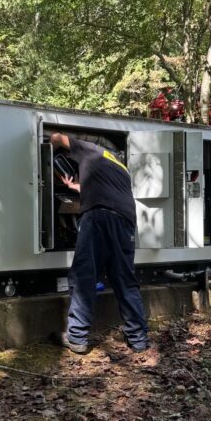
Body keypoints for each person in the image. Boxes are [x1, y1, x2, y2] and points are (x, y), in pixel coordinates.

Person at [50, 132, 150, 354]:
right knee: (125, 280)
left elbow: (57, 137)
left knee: (84, 274)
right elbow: (104, 189)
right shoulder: (121, 168)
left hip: (98, 218)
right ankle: (139, 340)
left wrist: (48, 153)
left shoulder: (90, 150)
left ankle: (76, 337)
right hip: (125, 223)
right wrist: (75, 187)